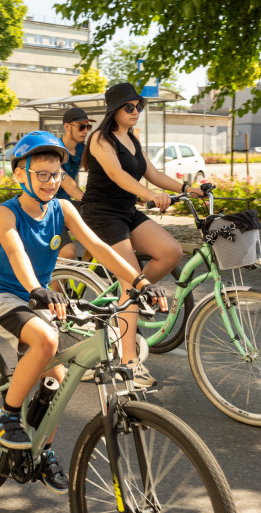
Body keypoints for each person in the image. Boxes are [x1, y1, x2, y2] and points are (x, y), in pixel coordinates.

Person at [0, 131, 166, 493]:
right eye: (42, 174)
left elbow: (98, 246)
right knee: (47, 341)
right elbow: (16, 252)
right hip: (7, 296)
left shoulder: (64, 209)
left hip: (42, 298)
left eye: (57, 174)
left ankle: (40, 450)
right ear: (21, 176)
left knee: (58, 380)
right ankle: (6, 414)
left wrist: (140, 282)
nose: (52, 182)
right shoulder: (7, 212)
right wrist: (36, 288)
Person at [79, 82, 206, 388]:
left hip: (127, 211)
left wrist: (188, 189)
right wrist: (149, 196)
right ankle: (128, 363)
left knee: (170, 252)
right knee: (132, 281)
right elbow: (116, 174)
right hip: (101, 213)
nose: (136, 112)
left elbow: (152, 172)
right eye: (129, 107)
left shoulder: (133, 137)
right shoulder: (99, 138)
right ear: (114, 110)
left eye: (139, 107)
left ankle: (129, 298)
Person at [55, 107, 94, 261]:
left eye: (88, 127)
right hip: (48, 210)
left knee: (102, 222)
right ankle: (57, 285)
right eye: (81, 127)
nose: (85, 131)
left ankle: (86, 267)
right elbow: (67, 183)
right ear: (67, 127)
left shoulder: (81, 148)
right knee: (68, 253)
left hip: (68, 206)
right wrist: (87, 199)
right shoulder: (55, 149)